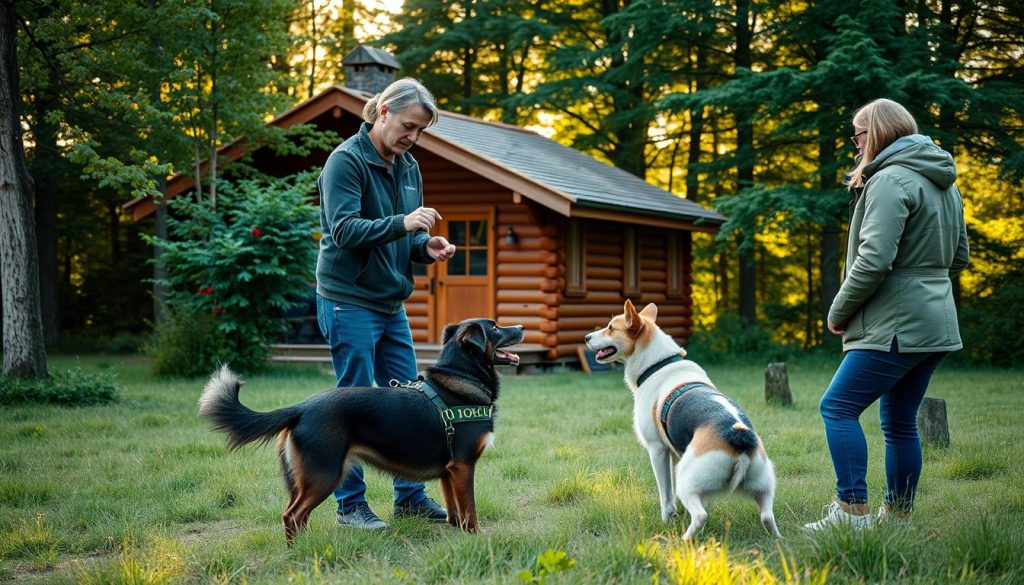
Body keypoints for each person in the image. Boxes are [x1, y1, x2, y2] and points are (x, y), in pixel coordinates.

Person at [805, 98, 970, 531]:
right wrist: (927, 285)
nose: (855, 145)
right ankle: (897, 517)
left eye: (858, 135)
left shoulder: (889, 180)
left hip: (896, 325)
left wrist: (839, 309)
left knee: (837, 407)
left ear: (875, 133)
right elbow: (960, 257)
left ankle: (852, 512)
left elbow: (874, 259)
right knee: (899, 422)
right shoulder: (944, 182)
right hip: (937, 321)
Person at [315, 78, 457, 530]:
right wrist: (403, 223)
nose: (412, 137)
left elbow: (403, 238)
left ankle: (410, 496)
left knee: (407, 401)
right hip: (348, 300)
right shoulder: (345, 162)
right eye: (408, 125)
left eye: (419, 131)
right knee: (352, 403)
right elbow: (345, 231)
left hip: (390, 302)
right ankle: (350, 506)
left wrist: (424, 246)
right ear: (383, 113)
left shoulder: (408, 166)